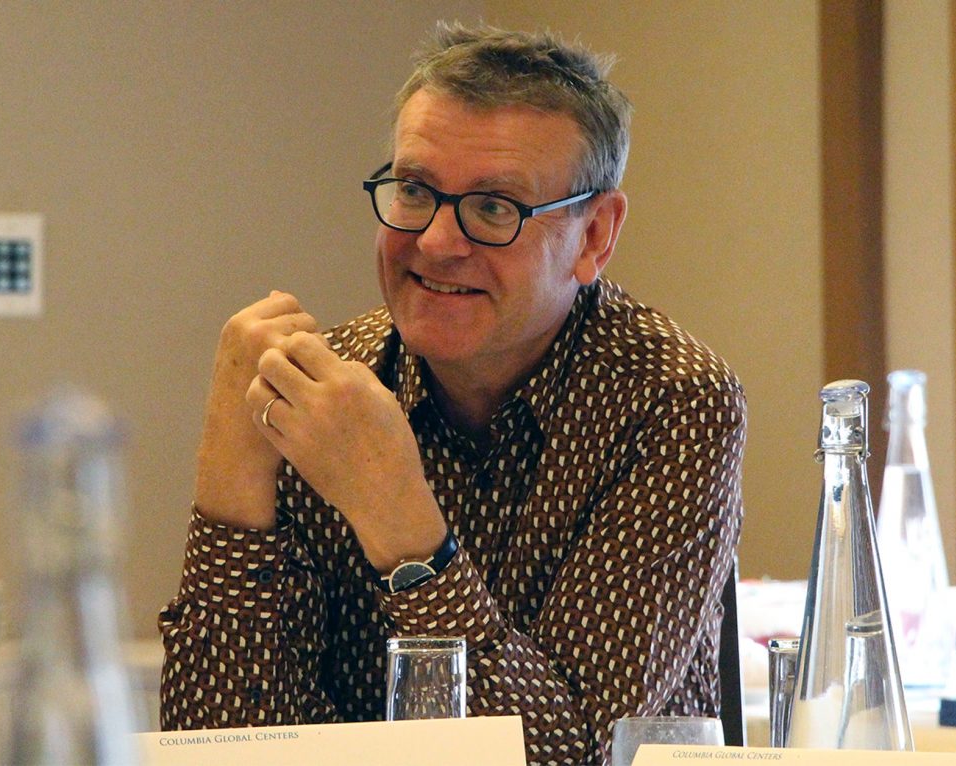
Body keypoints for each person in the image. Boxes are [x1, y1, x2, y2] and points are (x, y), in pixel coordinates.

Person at [159, 22, 746, 766]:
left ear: (595, 235)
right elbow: (222, 748)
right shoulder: (322, 393)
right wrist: (230, 481)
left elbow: (574, 756)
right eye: (415, 191)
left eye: (494, 206)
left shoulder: (673, 402)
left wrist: (399, 520)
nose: (437, 242)